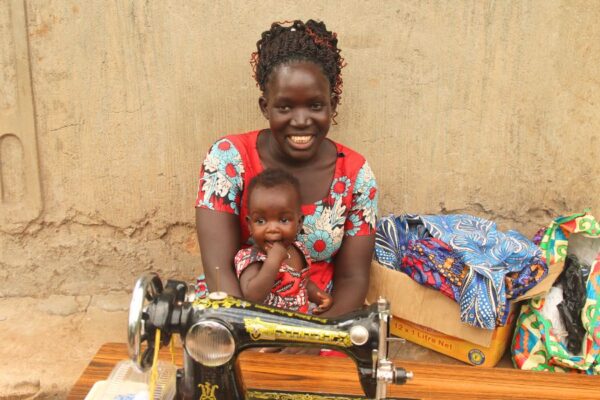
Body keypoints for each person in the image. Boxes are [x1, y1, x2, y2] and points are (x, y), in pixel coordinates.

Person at [195, 19, 378, 317]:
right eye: (285, 107)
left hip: (320, 313)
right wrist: (255, 332)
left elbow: (353, 279)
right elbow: (218, 269)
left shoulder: (356, 175)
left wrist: (312, 337)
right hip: (237, 307)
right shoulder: (229, 159)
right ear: (265, 106)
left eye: (316, 106)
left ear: (333, 104)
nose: (301, 120)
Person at [235, 168, 332, 314]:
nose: (272, 228)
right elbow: (252, 296)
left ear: (299, 223)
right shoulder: (251, 258)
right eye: (261, 221)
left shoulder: (300, 250)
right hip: (266, 327)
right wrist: (273, 260)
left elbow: (301, 283)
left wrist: (319, 296)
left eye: (283, 220)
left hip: (298, 322)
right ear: (250, 225)